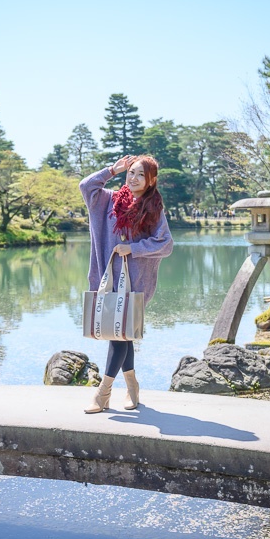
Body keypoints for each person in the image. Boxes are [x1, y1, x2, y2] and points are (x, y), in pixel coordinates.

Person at [79, 154, 173, 414]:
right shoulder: (109, 200)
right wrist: (112, 169)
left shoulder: (153, 208)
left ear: (151, 179)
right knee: (121, 334)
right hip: (108, 280)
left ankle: (103, 394)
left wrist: (132, 248)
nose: (133, 178)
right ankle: (132, 387)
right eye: (131, 172)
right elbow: (86, 186)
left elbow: (165, 244)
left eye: (140, 174)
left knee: (119, 336)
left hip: (135, 282)